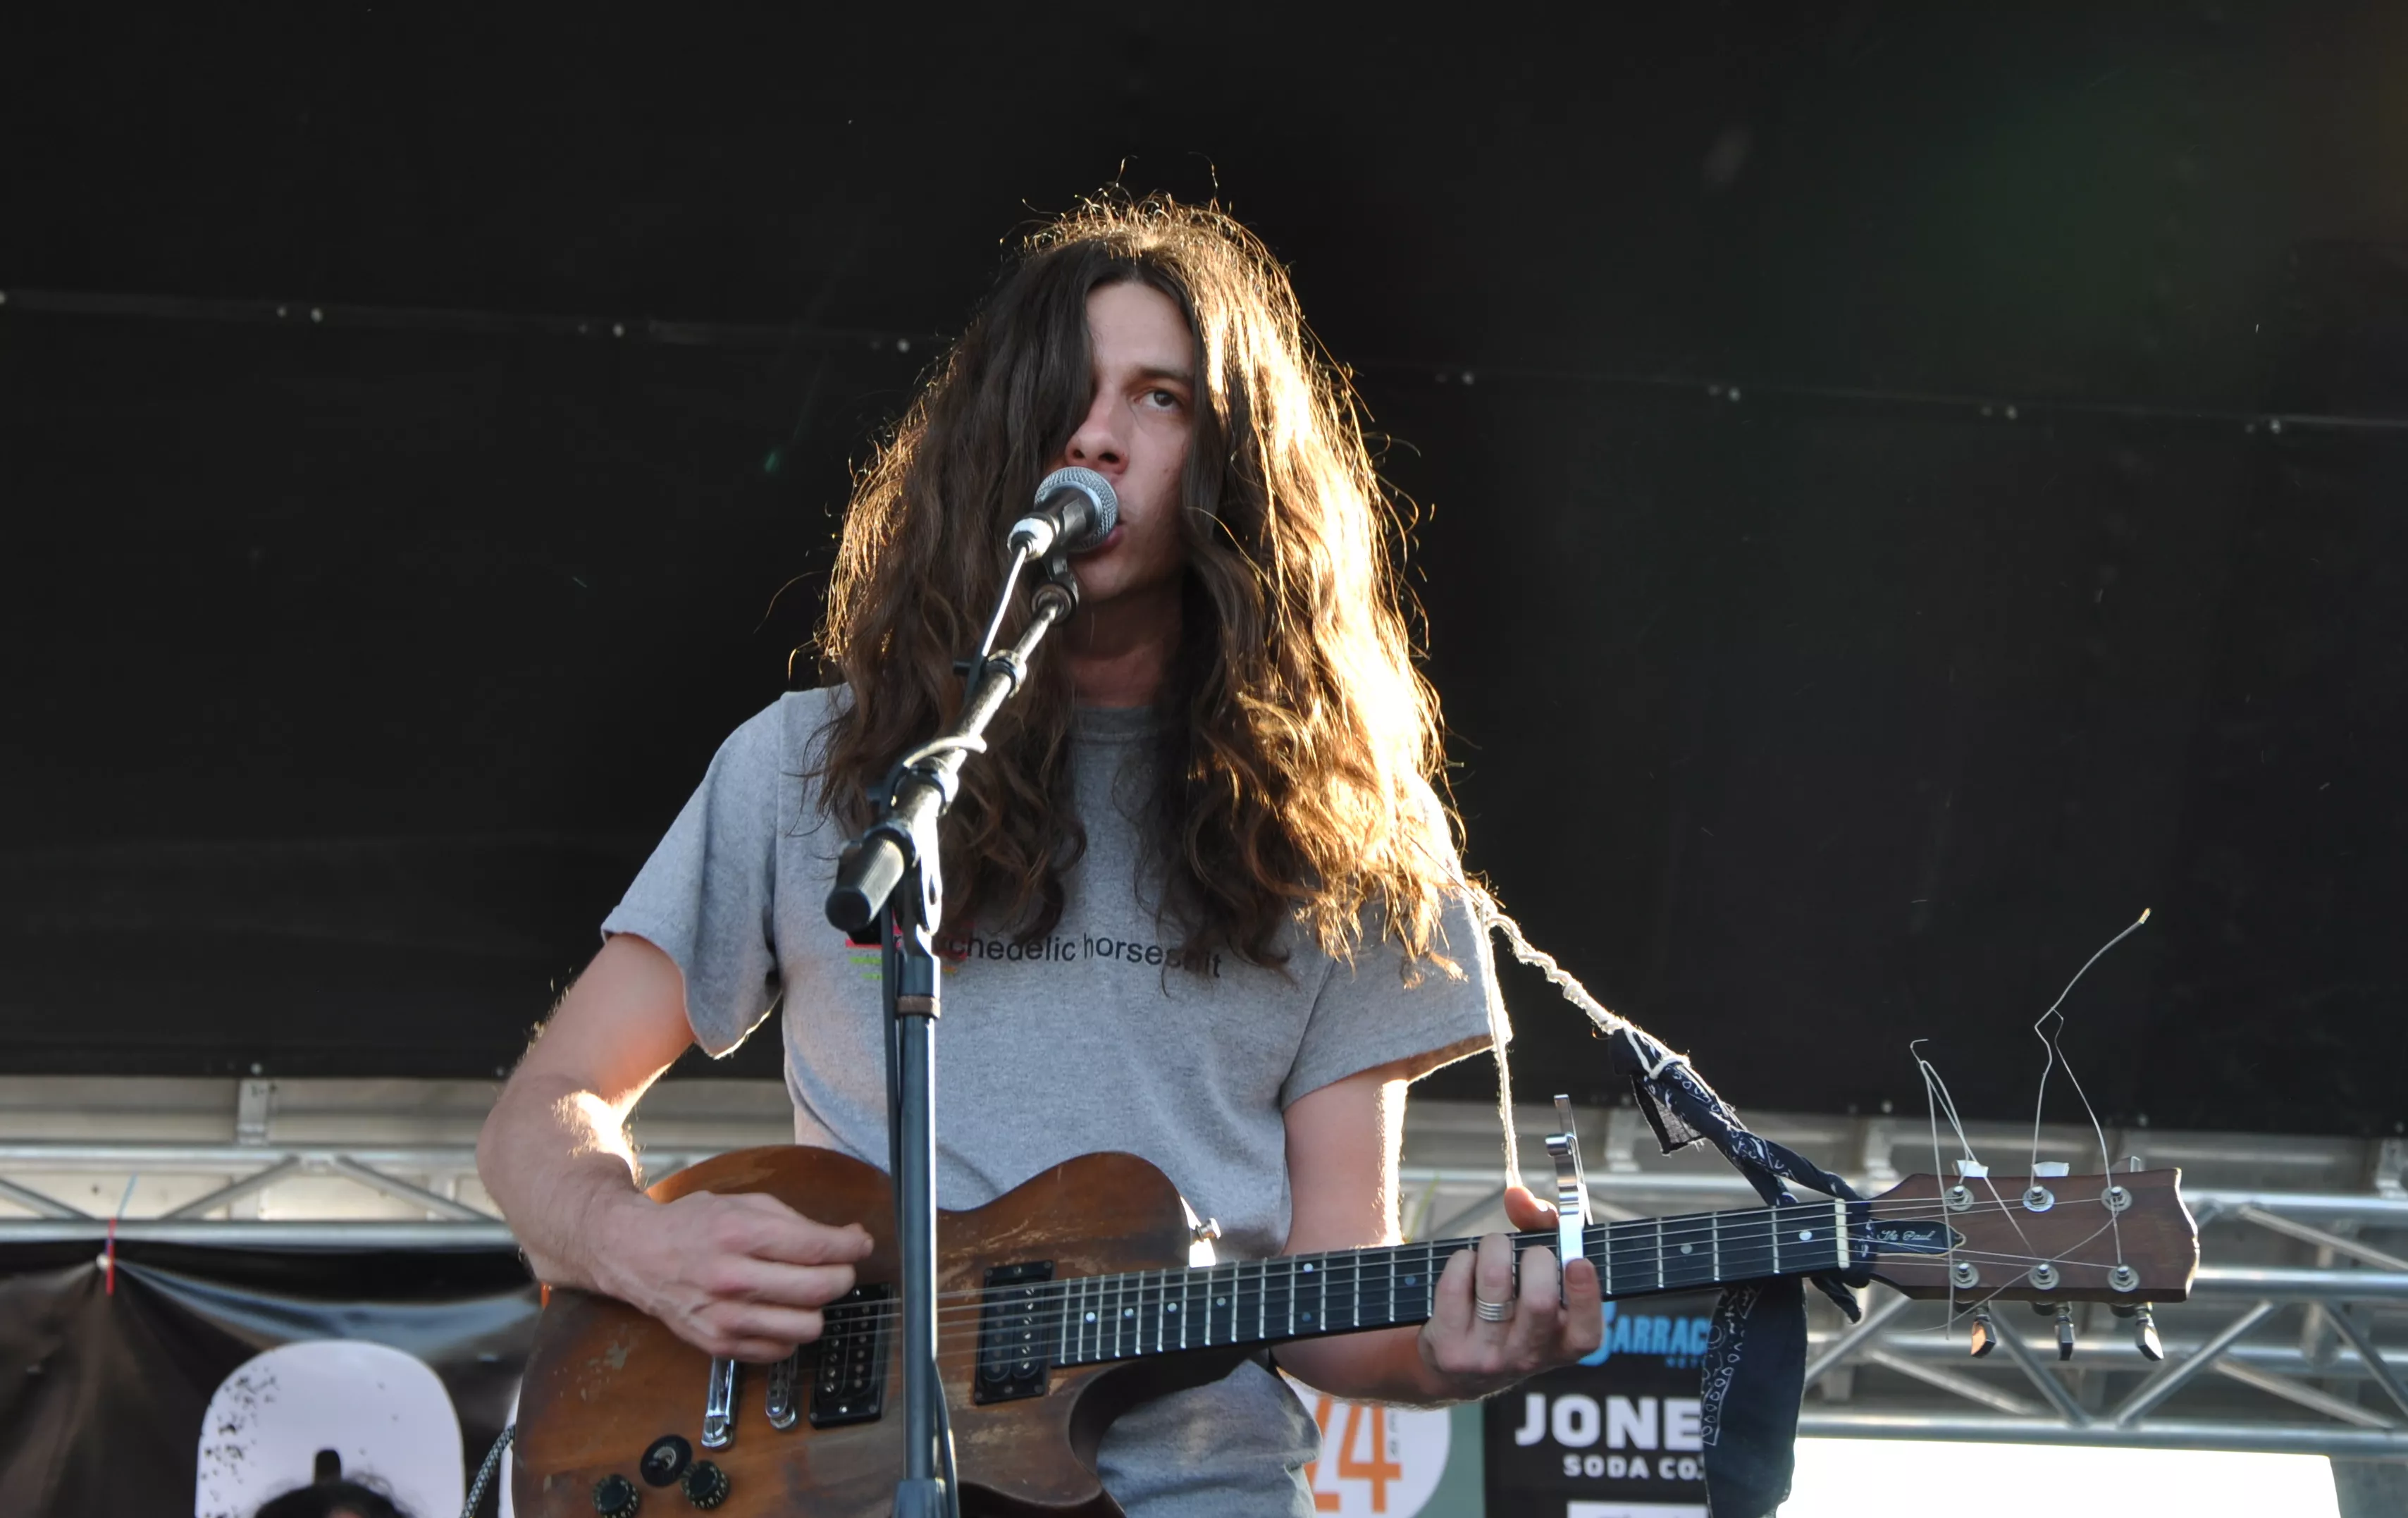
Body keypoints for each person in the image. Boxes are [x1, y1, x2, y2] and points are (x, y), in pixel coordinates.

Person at [475, 194, 1603, 1514]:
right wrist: (638, 1240)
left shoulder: (1354, 835)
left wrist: (1454, 1350)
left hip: (1194, 1483)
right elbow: (540, 1109)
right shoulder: (811, 766)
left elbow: (1329, 1288)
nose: (1095, 432)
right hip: (832, 1476)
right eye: (1061, 393)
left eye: (1159, 397)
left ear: (1236, 458)